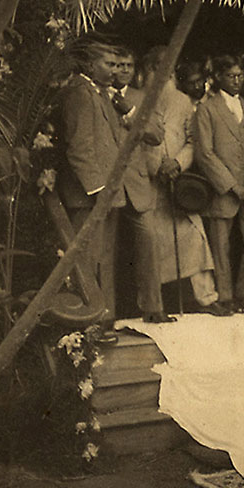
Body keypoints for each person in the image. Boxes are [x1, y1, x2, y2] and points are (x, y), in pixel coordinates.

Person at [56, 41, 170, 324]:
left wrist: (130, 112)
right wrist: (98, 188)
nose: (118, 71)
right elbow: (82, 145)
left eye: (124, 66)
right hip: (102, 187)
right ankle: (102, 317)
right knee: (98, 256)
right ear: (92, 65)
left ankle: (145, 310)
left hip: (133, 185)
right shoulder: (86, 93)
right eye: (112, 65)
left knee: (134, 246)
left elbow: (156, 134)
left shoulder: (137, 96)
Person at [134, 47, 222, 315]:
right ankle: (152, 305)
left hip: (178, 183)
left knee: (195, 237)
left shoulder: (183, 101)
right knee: (150, 245)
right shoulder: (136, 100)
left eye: (168, 66)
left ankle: (206, 297)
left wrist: (178, 163)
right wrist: (155, 167)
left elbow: (193, 140)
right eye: (157, 66)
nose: (164, 72)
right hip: (148, 183)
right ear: (148, 70)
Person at [195, 55, 244, 312]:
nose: (237, 81)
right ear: (218, 78)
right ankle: (224, 296)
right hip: (223, 191)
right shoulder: (207, 109)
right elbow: (204, 154)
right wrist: (231, 185)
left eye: (239, 76)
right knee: (220, 246)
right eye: (230, 76)